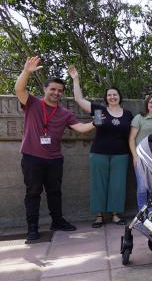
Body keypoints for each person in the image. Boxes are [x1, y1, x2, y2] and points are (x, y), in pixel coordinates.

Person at [16, 57, 97, 240]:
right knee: (33, 192)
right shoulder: (33, 103)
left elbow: (82, 129)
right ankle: (32, 228)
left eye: (59, 91)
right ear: (45, 89)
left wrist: (96, 122)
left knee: (54, 192)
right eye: (52, 89)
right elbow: (19, 89)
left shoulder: (65, 113)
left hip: (54, 159)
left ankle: (57, 221)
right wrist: (27, 71)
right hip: (31, 157)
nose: (56, 93)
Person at [69, 66, 133, 228]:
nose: (112, 97)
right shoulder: (99, 110)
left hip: (121, 154)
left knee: (118, 185)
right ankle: (99, 215)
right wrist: (76, 79)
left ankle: (115, 214)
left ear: (120, 97)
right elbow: (79, 100)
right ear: (106, 98)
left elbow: (132, 135)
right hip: (99, 153)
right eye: (109, 95)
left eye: (115, 94)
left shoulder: (127, 114)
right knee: (99, 184)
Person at [129, 94, 152, 210]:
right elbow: (131, 139)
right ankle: (141, 214)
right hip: (141, 158)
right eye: (151, 102)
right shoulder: (139, 118)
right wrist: (135, 157)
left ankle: (151, 213)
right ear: (147, 104)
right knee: (142, 187)